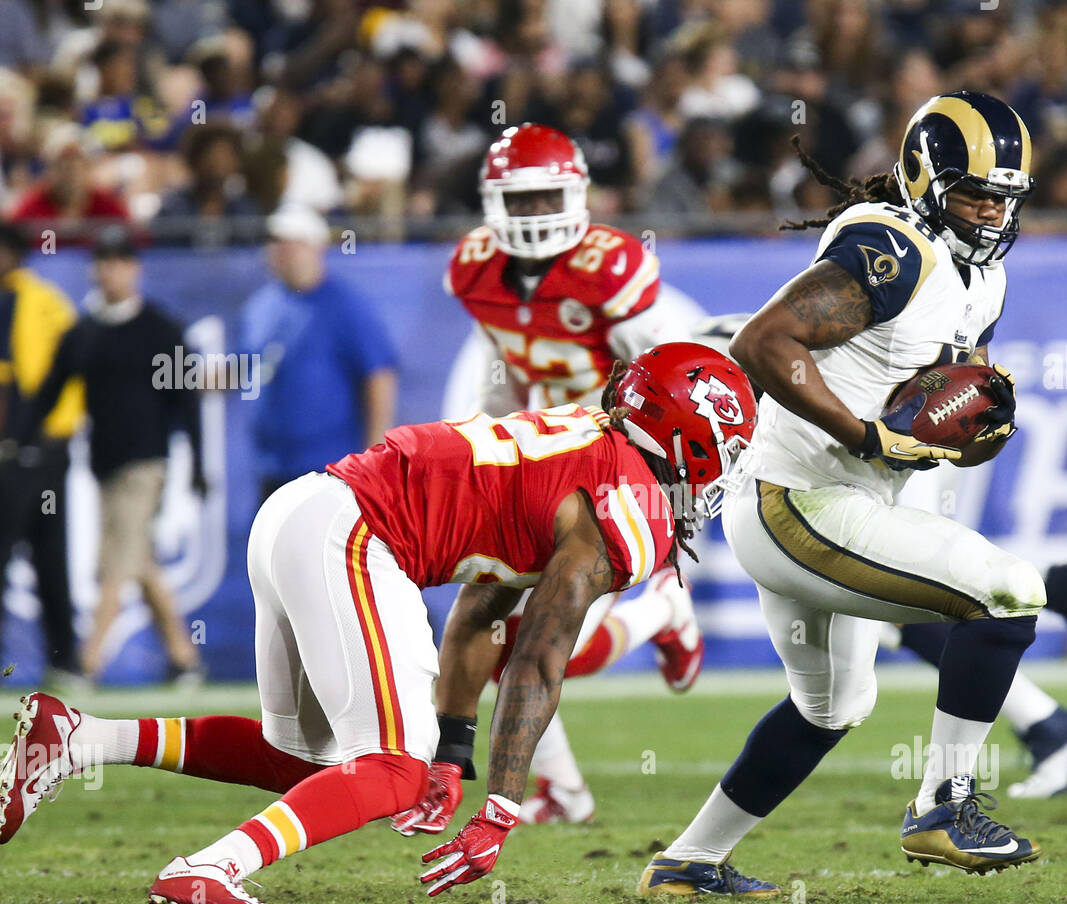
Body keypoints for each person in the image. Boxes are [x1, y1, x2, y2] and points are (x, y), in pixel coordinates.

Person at [0, 343, 756, 904]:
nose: (719, 475)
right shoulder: (621, 506)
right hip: (357, 533)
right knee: (390, 766)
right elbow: (537, 657)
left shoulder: (595, 446)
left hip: (304, 511)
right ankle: (209, 867)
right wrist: (502, 808)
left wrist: (455, 757)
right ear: (683, 438)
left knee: (306, 762)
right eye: (721, 453)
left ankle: (77, 738)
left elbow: (478, 611)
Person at [639, 92, 1046, 898]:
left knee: (831, 705)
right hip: (802, 497)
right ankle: (943, 803)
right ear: (924, 176)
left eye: (1004, 196)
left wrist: (971, 436)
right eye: (974, 192)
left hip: (841, 500)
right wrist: (866, 437)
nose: (991, 211)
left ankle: (687, 861)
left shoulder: (981, 275)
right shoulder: (893, 248)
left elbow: (935, 415)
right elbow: (764, 341)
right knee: (1008, 594)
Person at [691, 313, 1067, 800]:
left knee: (904, 601)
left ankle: (1036, 724)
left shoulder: (739, 355)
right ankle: (1048, 702)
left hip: (883, 456)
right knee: (892, 616)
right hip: (865, 460)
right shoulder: (737, 346)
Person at [420, 123, 700, 830]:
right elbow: (510, 369)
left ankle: (662, 609)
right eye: (523, 199)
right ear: (493, 203)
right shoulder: (475, 268)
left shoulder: (610, 268)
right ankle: (566, 792)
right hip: (546, 453)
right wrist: (489, 441)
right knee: (507, 643)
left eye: (549, 196)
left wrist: (663, 483)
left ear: (577, 194)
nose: (537, 213)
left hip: (612, 460)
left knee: (556, 652)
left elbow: (658, 380)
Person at [9, 227, 205, 683]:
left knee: (115, 561)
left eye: (119, 261)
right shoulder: (85, 332)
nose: (110, 270)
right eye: (102, 261)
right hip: (103, 462)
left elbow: (187, 403)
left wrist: (198, 462)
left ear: (134, 268)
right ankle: (183, 658)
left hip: (147, 462)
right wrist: (19, 437)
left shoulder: (160, 329)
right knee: (139, 561)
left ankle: (87, 662)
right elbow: (49, 392)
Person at [238, 205, 398, 502]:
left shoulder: (348, 306)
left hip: (330, 467)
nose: (281, 251)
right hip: (272, 465)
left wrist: (374, 456)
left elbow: (379, 376)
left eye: (291, 243)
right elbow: (248, 366)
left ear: (315, 246)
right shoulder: (260, 306)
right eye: (275, 243)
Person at [0, 221, 80, 682]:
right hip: (19, 451)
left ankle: (63, 659)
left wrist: (50, 434)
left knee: (49, 555)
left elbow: (68, 373)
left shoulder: (42, 302)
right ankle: (60, 659)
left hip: (37, 453)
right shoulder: (43, 302)